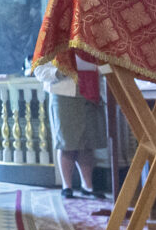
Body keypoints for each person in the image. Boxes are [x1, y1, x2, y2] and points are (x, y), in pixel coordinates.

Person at [32, 53, 104, 199]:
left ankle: (88, 186)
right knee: (67, 142)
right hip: (64, 93)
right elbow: (38, 69)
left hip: (89, 91)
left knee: (87, 142)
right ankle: (67, 186)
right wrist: (59, 72)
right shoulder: (49, 41)